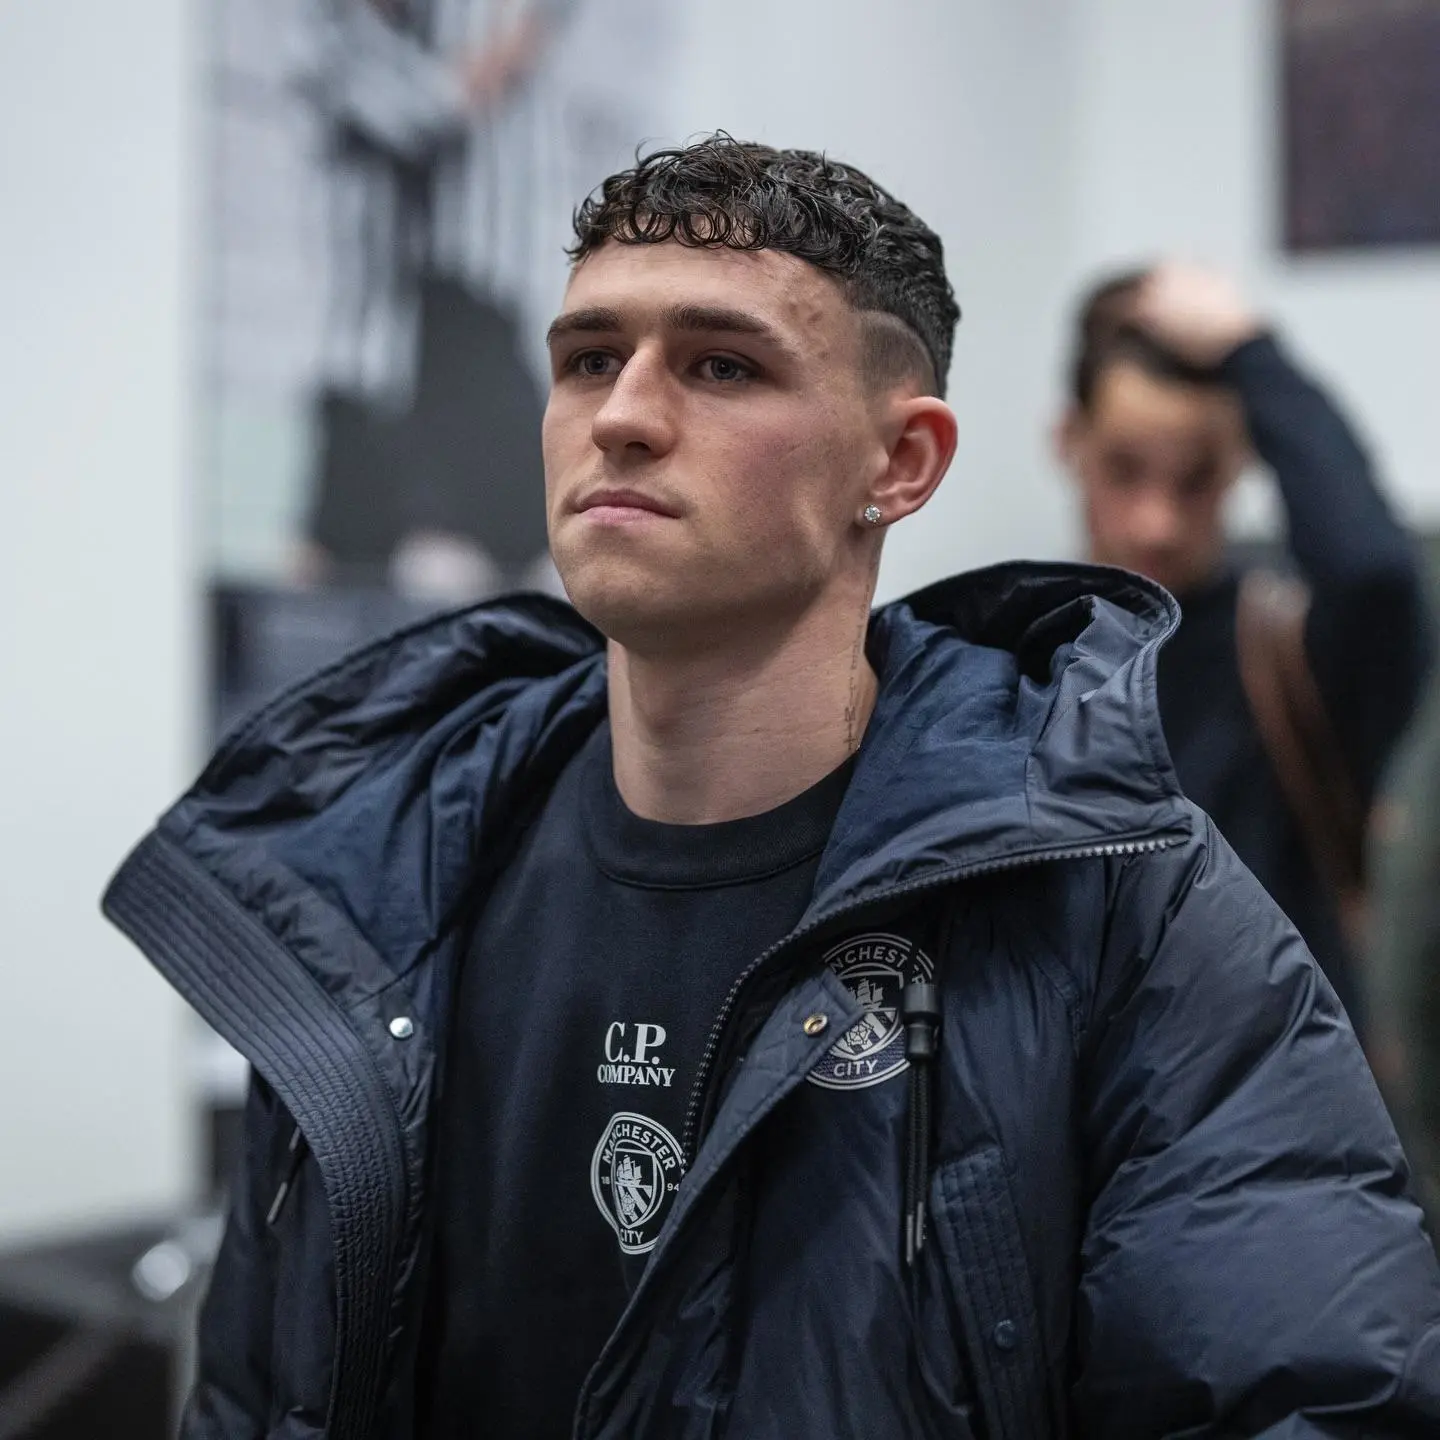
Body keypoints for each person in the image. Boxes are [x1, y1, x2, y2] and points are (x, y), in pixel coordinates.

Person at [105, 138, 1440, 1438]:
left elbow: (1303, 1390)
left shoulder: (1126, 913)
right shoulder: (379, 881)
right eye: (588, 359)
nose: (623, 416)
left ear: (900, 464)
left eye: (722, 365)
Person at [1056, 265, 1432, 1033]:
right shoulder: (1017, 656)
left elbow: (1374, 574)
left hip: (1286, 1079)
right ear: (1070, 443)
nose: (1156, 521)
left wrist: (1248, 349)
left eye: (1195, 479)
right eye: (1125, 470)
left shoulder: (1288, 655)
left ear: (1239, 463)